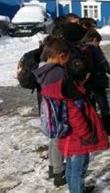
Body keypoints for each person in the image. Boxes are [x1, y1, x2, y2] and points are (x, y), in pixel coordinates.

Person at [60, 52, 109, 193]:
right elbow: (76, 119)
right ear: (87, 75)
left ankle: (76, 189)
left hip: (69, 139)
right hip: (78, 141)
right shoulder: (76, 95)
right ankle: (76, 190)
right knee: (78, 170)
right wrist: (88, 135)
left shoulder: (67, 87)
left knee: (71, 168)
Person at [33, 36, 71, 187]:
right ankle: (59, 173)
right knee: (57, 141)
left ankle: (52, 167)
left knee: (53, 140)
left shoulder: (44, 68)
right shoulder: (57, 73)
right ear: (61, 56)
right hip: (57, 111)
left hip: (48, 110)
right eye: (66, 58)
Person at [82, 29, 110, 134]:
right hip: (98, 83)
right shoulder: (94, 49)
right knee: (103, 106)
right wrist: (109, 69)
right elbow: (104, 65)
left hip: (87, 84)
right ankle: (108, 128)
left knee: (91, 108)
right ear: (95, 40)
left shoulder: (80, 48)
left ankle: (93, 128)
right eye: (98, 42)